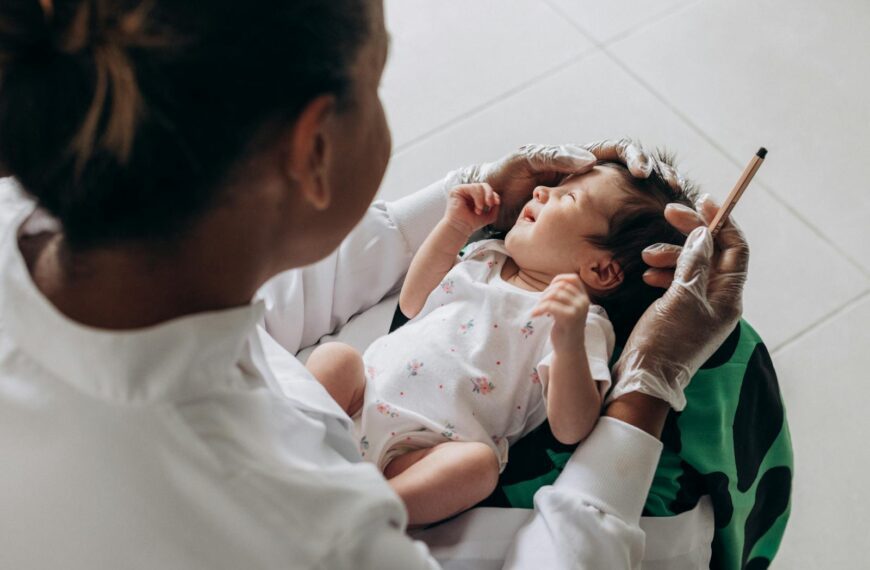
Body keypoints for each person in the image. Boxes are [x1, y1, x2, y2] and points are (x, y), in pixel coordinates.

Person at [0, 0, 749, 568]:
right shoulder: (304, 531)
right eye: (376, 83)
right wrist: (650, 381)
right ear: (314, 145)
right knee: (682, 536)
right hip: (390, 467)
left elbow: (266, 293)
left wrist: (466, 201)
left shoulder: (38, 225)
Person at [304, 158, 698, 526]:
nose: (543, 192)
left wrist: (568, 343)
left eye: (568, 197)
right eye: (555, 186)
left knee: (478, 468)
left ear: (600, 269)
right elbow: (412, 302)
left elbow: (571, 428)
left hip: (423, 450)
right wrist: (454, 227)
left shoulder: (581, 323)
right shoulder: (486, 256)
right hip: (363, 395)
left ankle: (368, 514)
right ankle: (291, 440)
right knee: (336, 359)